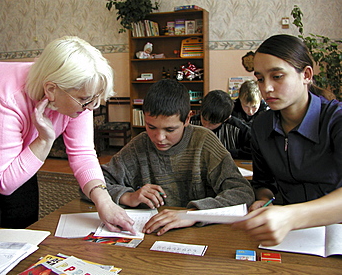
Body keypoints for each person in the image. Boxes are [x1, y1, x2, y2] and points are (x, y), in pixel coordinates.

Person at [0, 36, 135, 234]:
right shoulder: (3, 95)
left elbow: (82, 153)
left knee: (24, 221)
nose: (92, 107)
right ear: (51, 90)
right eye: (85, 100)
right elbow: (3, 182)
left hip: (23, 150)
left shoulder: (77, 93)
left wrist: (104, 201)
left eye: (96, 99)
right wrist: (44, 140)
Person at [101, 79, 255, 236]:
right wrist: (128, 197)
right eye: (151, 127)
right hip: (151, 235)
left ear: (188, 119)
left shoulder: (204, 141)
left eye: (170, 129)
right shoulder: (139, 145)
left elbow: (243, 193)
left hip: (200, 236)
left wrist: (194, 214)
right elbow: (93, 184)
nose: (159, 137)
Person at [232, 34, 342, 246]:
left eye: (277, 76)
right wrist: (263, 201)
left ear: (306, 75)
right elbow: (264, 183)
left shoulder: (335, 120)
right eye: (261, 79)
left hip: (335, 232)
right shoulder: (261, 126)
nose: (267, 88)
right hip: (288, 236)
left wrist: (290, 216)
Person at [190, 90, 252, 159]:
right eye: (204, 119)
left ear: (226, 119)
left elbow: (254, 151)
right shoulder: (190, 124)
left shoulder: (238, 128)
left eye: (213, 123)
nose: (206, 126)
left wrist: (222, 152)